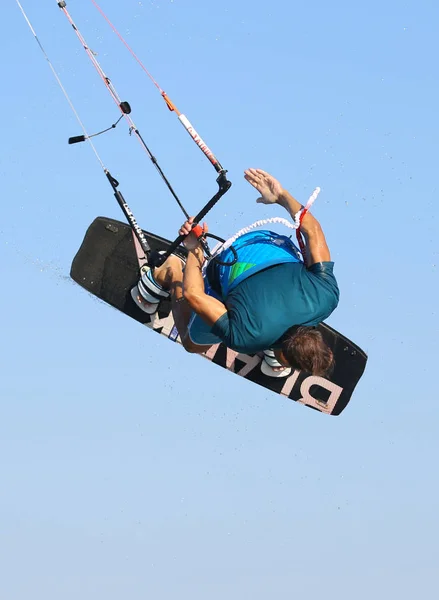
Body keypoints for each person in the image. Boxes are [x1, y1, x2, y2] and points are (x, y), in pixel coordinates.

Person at [131, 168, 339, 377]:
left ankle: (271, 342)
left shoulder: (327, 296)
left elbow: (312, 231)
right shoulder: (245, 338)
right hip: (228, 262)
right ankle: (170, 271)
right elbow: (194, 295)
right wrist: (194, 247)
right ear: (286, 357)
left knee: (272, 303)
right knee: (191, 343)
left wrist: (281, 196)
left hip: (262, 240)